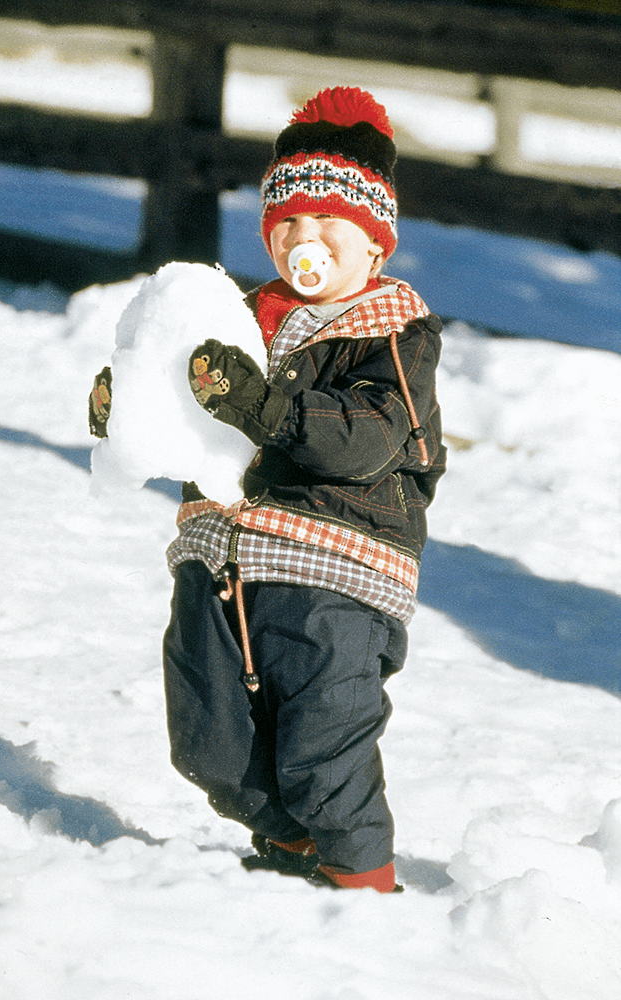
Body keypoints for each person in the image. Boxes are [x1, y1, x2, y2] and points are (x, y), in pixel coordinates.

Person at [90, 86, 446, 891]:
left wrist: (269, 407)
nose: (304, 241)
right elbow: (182, 414)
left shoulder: (392, 332)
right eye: (287, 224)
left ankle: (361, 881)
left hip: (339, 576)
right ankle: (291, 846)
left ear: (375, 246)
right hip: (221, 563)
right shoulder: (238, 322)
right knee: (208, 745)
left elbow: (367, 438)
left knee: (324, 747)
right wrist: (127, 409)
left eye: (329, 225)